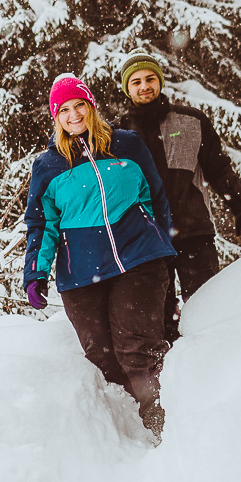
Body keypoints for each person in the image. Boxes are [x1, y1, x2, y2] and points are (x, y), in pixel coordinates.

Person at [23, 74, 177, 434]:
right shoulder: (48, 166)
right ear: (55, 117)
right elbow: (41, 224)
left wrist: (162, 246)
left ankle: (161, 423)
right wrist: (36, 274)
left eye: (80, 105)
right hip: (82, 273)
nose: (74, 114)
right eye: (64, 109)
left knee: (135, 348)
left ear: (91, 107)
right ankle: (122, 434)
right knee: (102, 357)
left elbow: (154, 197)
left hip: (138, 258)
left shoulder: (128, 145)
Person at [118, 50, 241, 336]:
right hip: (149, 240)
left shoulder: (191, 121)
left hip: (194, 232)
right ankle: (169, 376)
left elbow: (219, 169)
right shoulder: (118, 134)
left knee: (208, 311)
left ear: (159, 82)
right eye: (135, 82)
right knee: (160, 320)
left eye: (149, 79)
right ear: (127, 88)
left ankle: (215, 367)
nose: (144, 86)